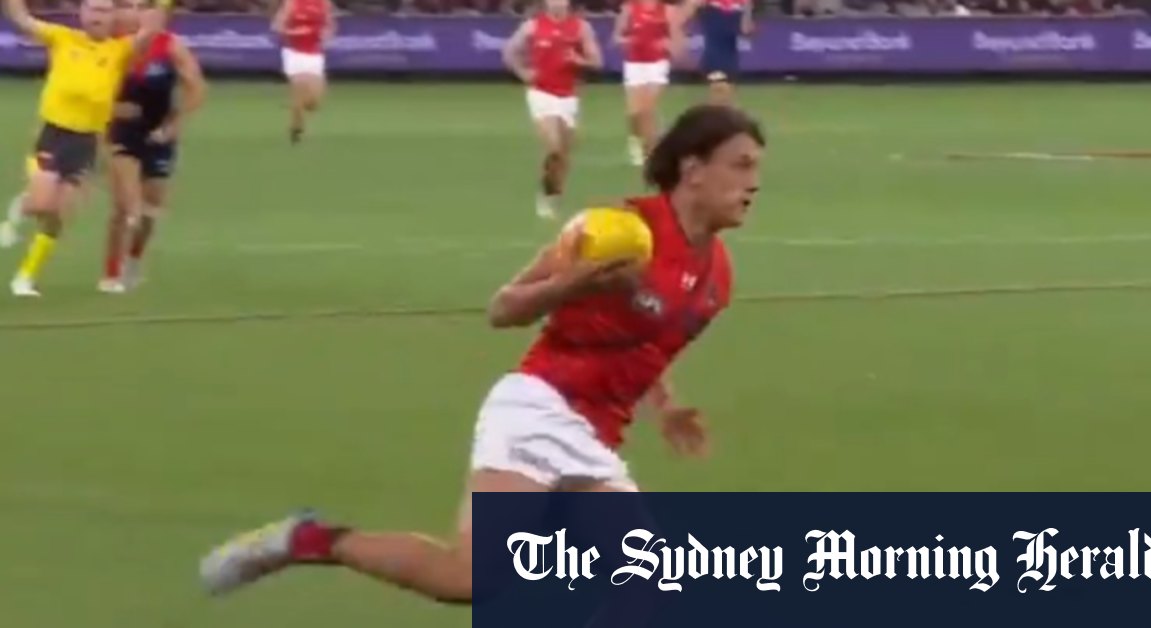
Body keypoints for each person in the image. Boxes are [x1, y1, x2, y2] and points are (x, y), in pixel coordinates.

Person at [196, 104, 766, 604]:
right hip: (540, 409)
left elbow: (645, 340)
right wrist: (571, 284)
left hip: (596, 436)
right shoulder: (615, 231)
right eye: (740, 166)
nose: (753, 183)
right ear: (692, 169)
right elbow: (503, 308)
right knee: (473, 578)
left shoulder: (718, 278)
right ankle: (312, 540)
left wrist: (666, 404)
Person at [0, 0, 171, 297]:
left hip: (86, 141)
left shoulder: (119, 50)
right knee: (42, 204)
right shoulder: (62, 37)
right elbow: (22, 19)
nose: (97, 16)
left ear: (113, 17)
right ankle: (15, 216)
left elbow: (149, 32)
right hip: (54, 135)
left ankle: (25, 277)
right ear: (81, 13)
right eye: (92, 9)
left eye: (104, 10)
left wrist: (165, 3)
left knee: (58, 215)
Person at [99, 0, 206, 294]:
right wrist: (112, 110)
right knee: (126, 208)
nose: (134, 13)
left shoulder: (169, 45)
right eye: (127, 6)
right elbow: (88, 90)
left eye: (141, 6)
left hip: (158, 136)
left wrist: (173, 126)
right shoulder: (111, 45)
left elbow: (196, 88)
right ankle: (110, 273)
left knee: (150, 211)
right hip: (122, 134)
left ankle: (134, 260)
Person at [502, 0, 603, 220]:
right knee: (553, 148)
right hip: (541, 94)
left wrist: (579, 60)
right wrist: (523, 72)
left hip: (569, 97)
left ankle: (554, 193)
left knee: (564, 155)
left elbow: (597, 61)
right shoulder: (532, 26)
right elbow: (509, 51)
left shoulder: (581, 27)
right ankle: (545, 197)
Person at [614, 0, 684, 167]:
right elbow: (616, 37)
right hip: (635, 64)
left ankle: (652, 151)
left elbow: (678, 42)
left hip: (657, 65)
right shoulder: (629, 8)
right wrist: (628, 41)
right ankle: (636, 140)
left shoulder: (668, 11)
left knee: (647, 109)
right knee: (634, 113)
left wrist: (668, 45)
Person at [273, 0, 334, 144]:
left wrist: (327, 35)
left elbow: (330, 24)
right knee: (299, 88)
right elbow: (277, 25)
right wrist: (294, 32)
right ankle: (296, 127)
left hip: (314, 53)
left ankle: (297, 108)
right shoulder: (292, 2)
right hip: (294, 53)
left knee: (314, 103)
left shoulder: (324, 2)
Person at [682, 0, 753, 106]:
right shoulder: (709, 5)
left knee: (725, 101)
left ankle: (712, 113)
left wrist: (748, 10)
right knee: (720, 96)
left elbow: (746, 30)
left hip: (729, 58)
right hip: (715, 58)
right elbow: (689, 13)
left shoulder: (741, 4)